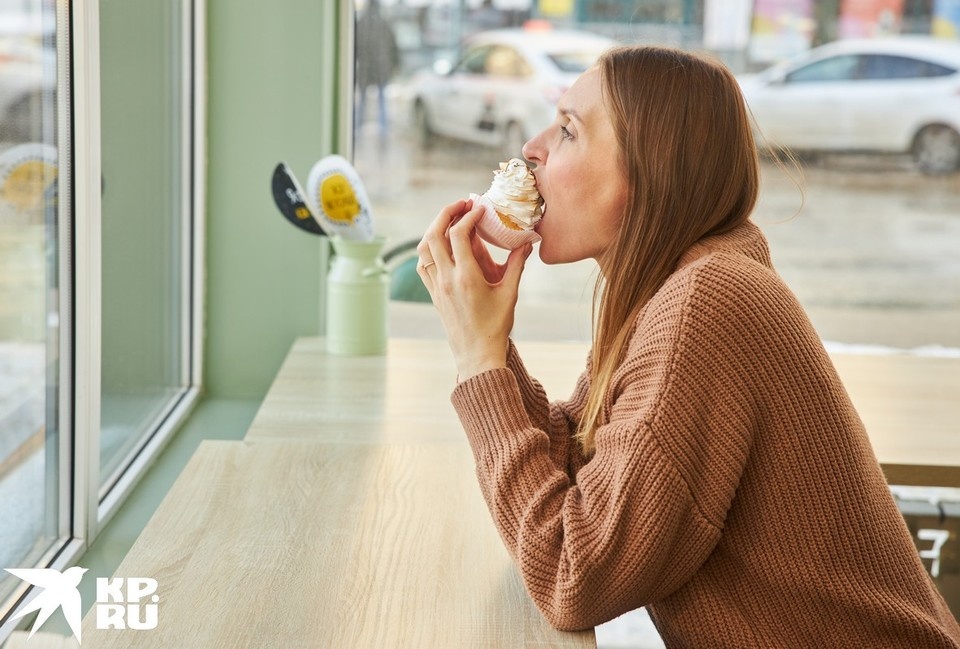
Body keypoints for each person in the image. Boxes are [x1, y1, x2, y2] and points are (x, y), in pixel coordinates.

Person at [416, 46, 960, 647]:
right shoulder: (672, 284)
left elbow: (574, 576)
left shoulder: (708, 303)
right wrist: (487, 343)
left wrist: (480, 361)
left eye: (569, 130)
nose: (532, 148)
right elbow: (582, 465)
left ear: (652, 168)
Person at [355, 0, 399, 135]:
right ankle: (381, 129)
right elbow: (393, 47)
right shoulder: (383, 23)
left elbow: (354, 47)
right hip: (377, 67)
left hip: (369, 67)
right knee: (380, 100)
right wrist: (395, 64)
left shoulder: (362, 23)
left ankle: (358, 128)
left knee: (366, 100)